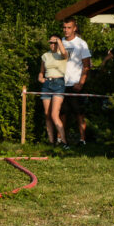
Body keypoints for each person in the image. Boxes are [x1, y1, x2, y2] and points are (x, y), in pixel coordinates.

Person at [61, 17, 92, 145]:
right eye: (64, 27)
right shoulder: (60, 42)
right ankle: (61, 139)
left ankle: (82, 139)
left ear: (75, 28)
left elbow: (86, 66)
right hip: (61, 84)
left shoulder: (81, 44)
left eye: (69, 28)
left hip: (75, 84)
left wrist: (81, 83)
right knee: (62, 113)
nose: (66, 30)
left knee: (79, 113)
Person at [38, 34, 70, 146]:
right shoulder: (45, 55)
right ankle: (51, 141)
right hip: (47, 84)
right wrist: (41, 78)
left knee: (54, 115)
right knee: (47, 114)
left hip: (58, 84)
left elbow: (64, 53)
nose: (52, 45)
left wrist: (59, 41)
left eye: (54, 43)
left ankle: (64, 142)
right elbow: (41, 72)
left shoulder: (63, 54)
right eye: (50, 43)